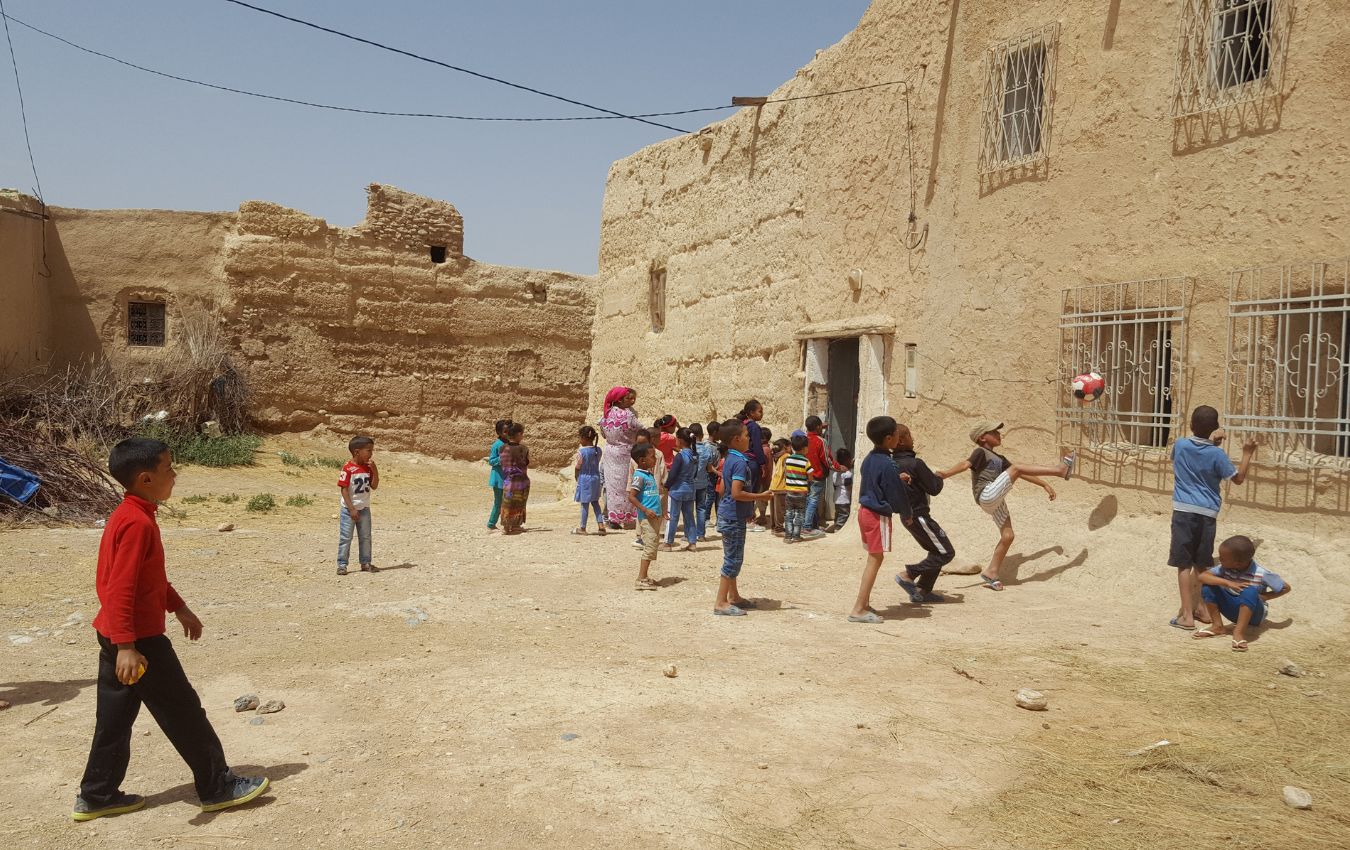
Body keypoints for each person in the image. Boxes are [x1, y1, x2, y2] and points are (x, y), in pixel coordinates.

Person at [73, 437, 268, 822]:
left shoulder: (134, 514)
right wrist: (128, 645)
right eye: (168, 468)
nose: (175, 474)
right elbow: (121, 587)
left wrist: (178, 607)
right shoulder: (136, 523)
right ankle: (217, 786)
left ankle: (97, 795)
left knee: (114, 717)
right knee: (183, 711)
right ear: (146, 478)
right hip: (138, 639)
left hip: (116, 633)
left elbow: (150, 578)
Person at [937, 421, 1074, 592]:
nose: (998, 434)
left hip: (994, 501)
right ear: (982, 437)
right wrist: (946, 474)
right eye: (993, 432)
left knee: (1008, 536)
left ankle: (991, 572)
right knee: (1016, 467)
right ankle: (1060, 470)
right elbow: (965, 465)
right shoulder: (980, 452)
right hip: (986, 494)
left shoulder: (1000, 459)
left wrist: (1044, 484)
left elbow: (1022, 472)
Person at [1167, 406, 1258, 630]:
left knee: (1183, 565)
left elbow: (1193, 454)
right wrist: (1247, 453)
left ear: (1190, 425)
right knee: (1203, 564)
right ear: (1215, 428)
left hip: (1183, 512)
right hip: (1207, 513)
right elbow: (1237, 478)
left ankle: (1187, 616)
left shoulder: (1180, 445)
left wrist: (1210, 441)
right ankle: (1205, 611)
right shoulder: (1217, 454)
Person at [850, 416, 914, 623]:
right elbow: (896, 494)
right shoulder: (888, 463)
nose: (899, 436)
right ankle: (858, 608)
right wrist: (907, 513)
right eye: (896, 433)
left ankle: (864, 604)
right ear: (889, 438)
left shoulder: (870, 458)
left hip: (865, 512)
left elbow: (877, 480)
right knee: (875, 559)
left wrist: (896, 477)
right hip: (877, 515)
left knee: (873, 557)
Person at [715, 419, 775, 616]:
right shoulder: (740, 461)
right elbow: (736, 493)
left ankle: (734, 596)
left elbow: (723, 489)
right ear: (737, 439)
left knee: (731, 556)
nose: (750, 439)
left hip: (727, 514)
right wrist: (762, 496)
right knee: (733, 560)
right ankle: (721, 602)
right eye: (748, 436)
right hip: (733, 517)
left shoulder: (729, 459)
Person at [891, 425, 955, 603]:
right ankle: (908, 574)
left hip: (908, 517)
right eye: (910, 436)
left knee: (935, 550)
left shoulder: (891, 464)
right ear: (901, 440)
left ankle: (923, 591)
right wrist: (939, 477)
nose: (914, 439)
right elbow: (933, 488)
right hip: (919, 516)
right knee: (946, 553)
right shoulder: (915, 463)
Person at [1194, 535, 1289, 651]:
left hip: (1254, 615)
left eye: (1223, 558)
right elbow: (1203, 577)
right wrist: (1228, 583)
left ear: (1237, 563)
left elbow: (1286, 588)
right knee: (1208, 585)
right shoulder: (1224, 568)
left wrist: (1264, 597)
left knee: (1249, 590)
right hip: (1234, 610)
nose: (1220, 559)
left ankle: (1238, 633)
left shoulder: (1262, 573)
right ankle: (1218, 626)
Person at [599, 387, 641, 530]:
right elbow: (641, 429)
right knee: (627, 486)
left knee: (613, 488)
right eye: (629, 398)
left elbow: (604, 434)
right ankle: (628, 518)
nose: (632, 401)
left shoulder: (606, 414)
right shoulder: (629, 415)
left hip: (610, 454)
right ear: (619, 400)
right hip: (627, 453)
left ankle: (614, 518)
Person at [337, 435, 379, 575]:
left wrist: (375, 470)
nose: (371, 454)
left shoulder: (367, 468)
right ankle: (342, 564)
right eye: (368, 450)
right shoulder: (348, 468)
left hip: (364, 508)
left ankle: (365, 562)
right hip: (349, 510)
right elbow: (344, 490)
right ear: (356, 452)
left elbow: (374, 486)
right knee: (346, 537)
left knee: (365, 537)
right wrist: (352, 509)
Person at [629, 443, 664, 590]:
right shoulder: (639, 476)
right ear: (642, 460)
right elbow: (632, 496)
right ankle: (641, 578)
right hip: (647, 517)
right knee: (649, 547)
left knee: (652, 545)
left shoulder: (648, 475)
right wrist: (645, 509)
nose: (655, 459)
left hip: (655, 516)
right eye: (652, 457)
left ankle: (645, 576)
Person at [663, 428, 699, 551]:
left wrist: (666, 485)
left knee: (672, 516)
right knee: (689, 516)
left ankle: (668, 543)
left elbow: (673, 474)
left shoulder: (680, 456)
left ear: (681, 440)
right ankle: (692, 542)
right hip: (690, 489)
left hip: (677, 490)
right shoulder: (695, 456)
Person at [803, 416, 840, 534]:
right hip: (817, 475)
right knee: (813, 500)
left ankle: (813, 525)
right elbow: (826, 460)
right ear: (818, 427)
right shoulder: (820, 441)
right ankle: (807, 526)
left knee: (809, 500)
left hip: (804, 475)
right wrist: (839, 468)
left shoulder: (803, 439)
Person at [738, 400, 771, 532]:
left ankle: (745, 518)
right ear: (751, 413)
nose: (762, 414)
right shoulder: (754, 427)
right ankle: (749, 520)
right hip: (752, 461)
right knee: (751, 490)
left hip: (742, 459)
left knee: (744, 489)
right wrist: (762, 463)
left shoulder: (742, 425)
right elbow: (757, 447)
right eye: (760, 411)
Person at [573, 425, 605, 535]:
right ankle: (601, 526)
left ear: (584, 438)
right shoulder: (598, 450)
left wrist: (576, 475)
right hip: (596, 478)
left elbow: (578, 466)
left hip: (585, 479)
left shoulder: (581, 452)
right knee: (595, 502)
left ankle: (582, 528)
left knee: (584, 504)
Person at [782, 431, 813, 543]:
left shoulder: (788, 459)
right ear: (804, 449)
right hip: (801, 493)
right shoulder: (806, 461)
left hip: (789, 491)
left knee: (789, 514)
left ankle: (787, 536)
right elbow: (810, 476)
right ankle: (796, 535)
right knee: (799, 514)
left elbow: (786, 473)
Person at [500, 423, 530, 535]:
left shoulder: (502, 448)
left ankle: (506, 526)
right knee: (519, 502)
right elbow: (526, 463)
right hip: (520, 481)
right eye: (522, 434)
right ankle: (516, 525)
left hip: (508, 480)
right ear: (518, 434)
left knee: (507, 502)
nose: (522, 436)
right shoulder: (524, 449)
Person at [690, 422, 715, 542]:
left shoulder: (688, 450)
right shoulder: (706, 449)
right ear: (701, 434)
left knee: (689, 509)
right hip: (703, 482)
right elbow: (709, 468)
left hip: (690, 484)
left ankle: (689, 534)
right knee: (701, 508)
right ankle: (701, 535)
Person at [486, 419, 510, 531]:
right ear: (499, 433)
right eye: (505, 431)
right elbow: (491, 461)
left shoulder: (509, 444)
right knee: (498, 502)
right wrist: (501, 459)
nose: (508, 433)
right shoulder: (497, 445)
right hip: (498, 479)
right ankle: (491, 524)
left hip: (507, 479)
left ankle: (506, 523)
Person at [826, 448, 855, 533]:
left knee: (838, 513)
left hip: (837, 498)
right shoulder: (848, 474)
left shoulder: (835, 473)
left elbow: (834, 485)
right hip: (844, 498)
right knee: (844, 514)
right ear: (847, 460)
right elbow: (849, 486)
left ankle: (836, 525)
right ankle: (839, 529)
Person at [768, 437, 790, 536]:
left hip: (774, 485)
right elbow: (787, 472)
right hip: (781, 487)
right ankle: (779, 529)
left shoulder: (776, 457)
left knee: (774, 510)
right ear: (786, 447)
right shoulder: (786, 456)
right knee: (780, 510)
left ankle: (774, 527)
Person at [702, 421, 722, 528]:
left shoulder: (716, 445)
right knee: (709, 497)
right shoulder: (708, 446)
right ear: (715, 432)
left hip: (715, 475)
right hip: (710, 475)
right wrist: (718, 473)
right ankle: (706, 519)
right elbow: (708, 465)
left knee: (717, 497)